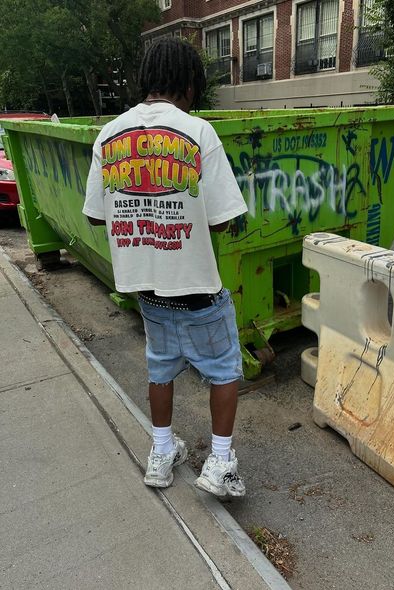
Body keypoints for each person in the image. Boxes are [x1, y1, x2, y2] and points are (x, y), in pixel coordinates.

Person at [82, 37, 248, 498]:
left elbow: (95, 214)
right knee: (223, 370)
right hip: (195, 289)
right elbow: (225, 217)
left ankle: (160, 453)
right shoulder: (198, 133)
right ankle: (219, 463)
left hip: (146, 289)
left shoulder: (109, 134)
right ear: (189, 85)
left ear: (147, 80)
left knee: (160, 368)